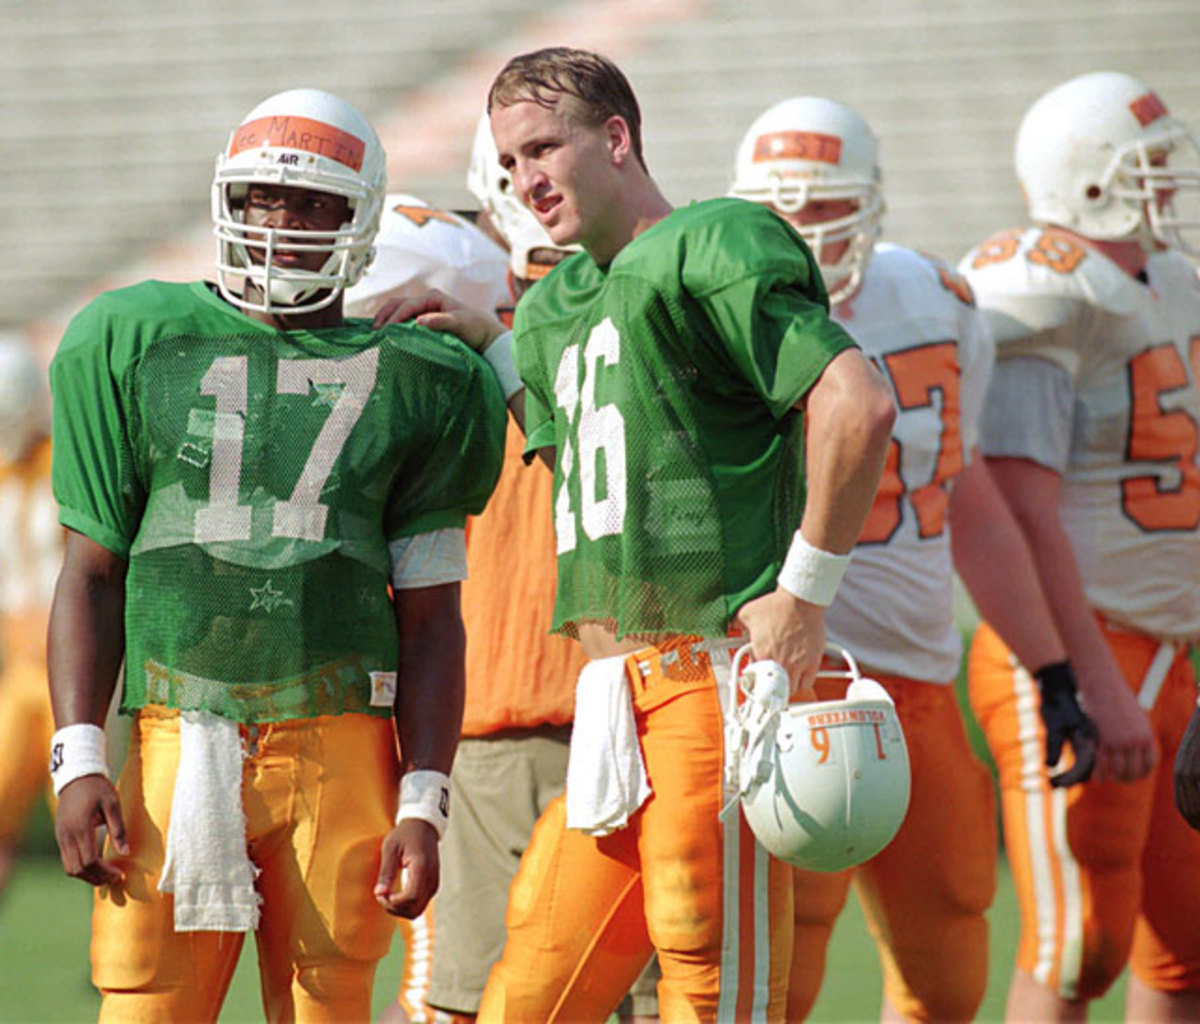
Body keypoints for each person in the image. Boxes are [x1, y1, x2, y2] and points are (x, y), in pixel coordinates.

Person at [379, 46, 897, 1022]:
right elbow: (583, 459)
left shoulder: (715, 241)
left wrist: (806, 589)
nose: (527, 178)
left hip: (713, 685)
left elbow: (858, 402)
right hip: (620, 701)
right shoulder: (558, 305)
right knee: (525, 994)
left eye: (545, 147)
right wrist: (491, 343)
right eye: (510, 159)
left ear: (616, 137)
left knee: (712, 994)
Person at [46, 87, 506, 1022]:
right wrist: (78, 754)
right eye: (260, 198)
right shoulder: (128, 338)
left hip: (341, 744)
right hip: (176, 739)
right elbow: (91, 572)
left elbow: (431, 616)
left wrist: (425, 799)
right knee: (141, 999)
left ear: (361, 219)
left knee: (329, 997)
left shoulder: (421, 378)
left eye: (312, 205)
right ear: (227, 200)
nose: (279, 223)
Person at [727, 95, 1098, 1023]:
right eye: (780, 211)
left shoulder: (937, 298)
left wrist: (1051, 667)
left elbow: (964, 496)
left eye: (823, 207)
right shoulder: (710, 308)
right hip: (782, 681)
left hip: (920, 679)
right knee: (778, 968)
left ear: (872, 203)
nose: (803, 233)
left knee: (948, 962)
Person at [355, 142, 660, 1024]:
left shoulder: (615, 315)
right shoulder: (459, 343)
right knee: (469, 996)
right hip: (493, 722)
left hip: (623, 706)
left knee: (645, 994)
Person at [960, 70, 1200, 1022]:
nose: (1169, 182)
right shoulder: (1044, 288)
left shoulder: (1171, 280)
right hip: (1079, 645)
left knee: (1186, 950)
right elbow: (1022, 509)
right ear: (1089, 180)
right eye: (1147, 167)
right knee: (1078, 948)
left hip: (1169, 650)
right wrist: (1091, 677)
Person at [0, 334, 62, 896]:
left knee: (90, 815)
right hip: (19, 670)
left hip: (72, 671)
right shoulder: (4, 478)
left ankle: (119, 958)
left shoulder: (60, 467)